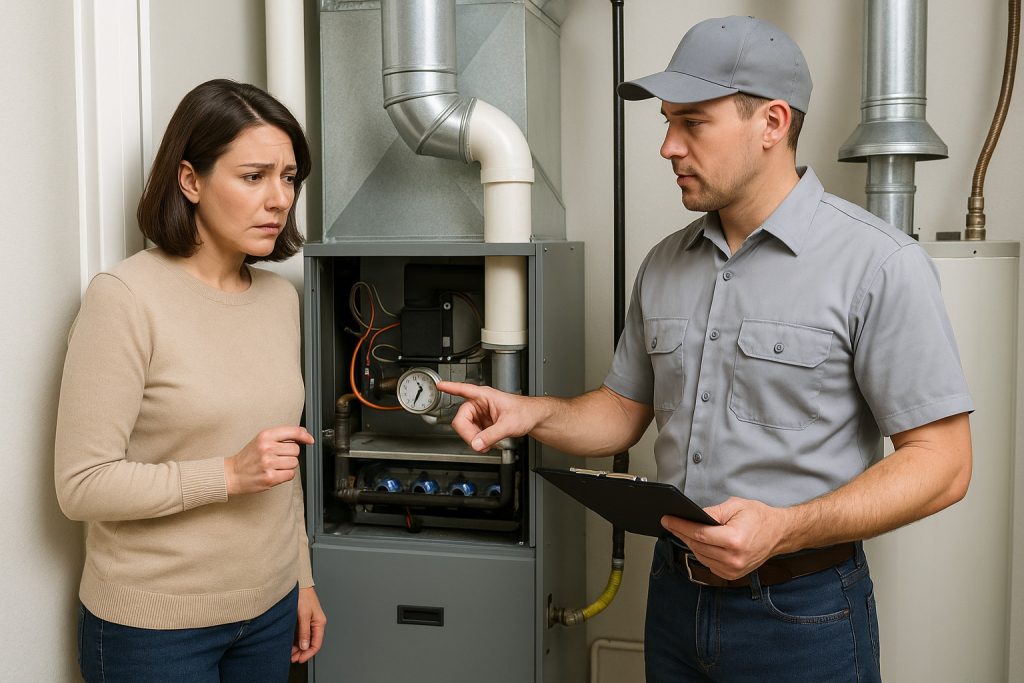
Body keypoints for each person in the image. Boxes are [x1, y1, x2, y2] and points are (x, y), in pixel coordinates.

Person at [439, 15, 973, 682]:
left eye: (692, 123)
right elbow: (622, 409)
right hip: (675, 598)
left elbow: (944, 464)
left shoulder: (880, 264)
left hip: (803, 615)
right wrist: (528, 412)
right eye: (668, 122)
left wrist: (787, 526)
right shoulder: (664, 264)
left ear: (772, 123)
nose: (668, 146)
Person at [55, 79, 326, 682]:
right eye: (254, 176)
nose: (279, 199)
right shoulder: (124, 298)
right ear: (190, 181)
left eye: (288, 178)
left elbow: (281, 462)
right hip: (153, 631)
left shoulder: (281, 300)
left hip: (271, 610)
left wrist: (300, 579)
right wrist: (227, 475)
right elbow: (81, 485)